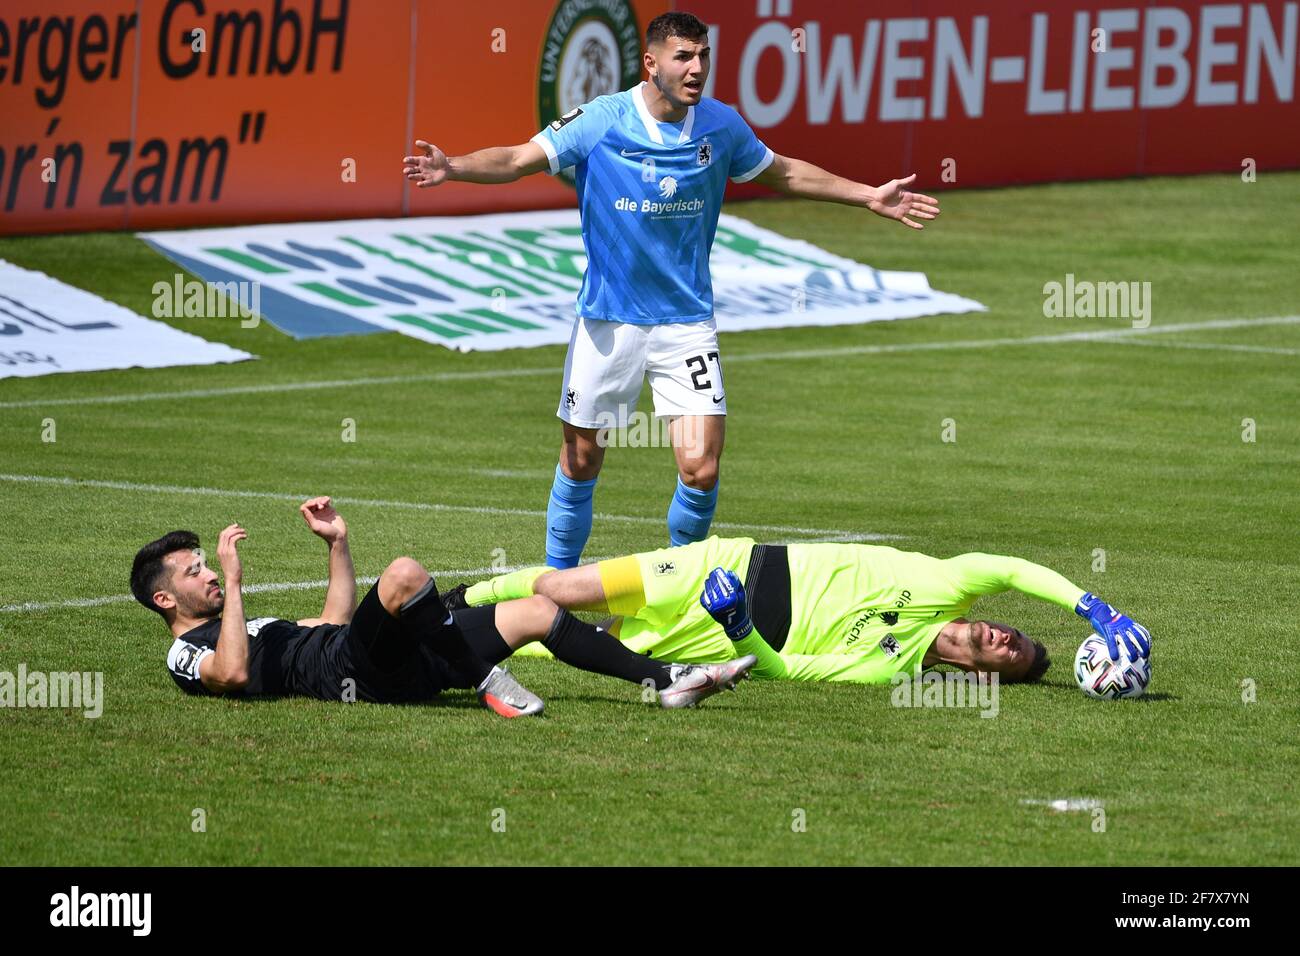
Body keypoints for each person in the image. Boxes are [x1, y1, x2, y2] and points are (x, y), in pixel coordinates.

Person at [402, 11, 940, 569]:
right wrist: (455, 166)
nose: (697, 69)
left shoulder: (721, 126)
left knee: (700, 467)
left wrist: (868, 195)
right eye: (684, 57)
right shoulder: (602, 120)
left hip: (686, 322)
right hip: (609, 321)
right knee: (582, 459)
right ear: (650, 62)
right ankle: (555, 588)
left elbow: (784, 172)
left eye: (703, 56)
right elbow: (516, 158)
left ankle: (681, 587)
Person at [130, 497, 756, 717]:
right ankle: (485, 679)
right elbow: (232, 674)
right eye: (196, 572)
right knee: (403, 575)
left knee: (539, 609)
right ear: (165, 599)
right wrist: (235, 587)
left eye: (208, 565)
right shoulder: (185, 649)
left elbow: (335, 621)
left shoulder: (242, 624)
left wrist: (338, 544)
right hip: (356, 675)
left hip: (380, 656)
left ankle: (668, 681)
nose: (210, 574)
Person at [451, 535, 1151, 685]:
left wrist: (737, 631)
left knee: (568, 636)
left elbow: (785, 669)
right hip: (733, 563)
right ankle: (466, 597)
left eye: (1010, 653)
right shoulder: (951, 582)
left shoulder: (888, 669)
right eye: (1017, 632)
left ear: (983, 673)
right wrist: (1096, 608)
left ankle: (466, 638)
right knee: (566, 588)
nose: (1005, 635)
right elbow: (1015, 568)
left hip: (731, 624)